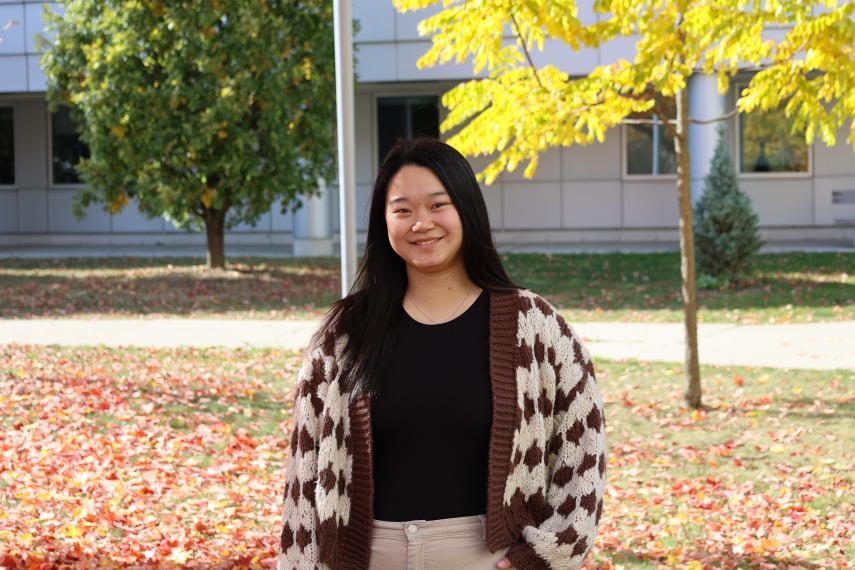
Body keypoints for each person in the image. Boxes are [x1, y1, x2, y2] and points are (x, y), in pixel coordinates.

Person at [276, 138, 607, 570]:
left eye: (438, 205)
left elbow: (583, 451)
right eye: (403, 210)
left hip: (487, 560)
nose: (421, 223)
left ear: (466, 209)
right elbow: (304, 476)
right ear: (384, 222)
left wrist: (543, 557)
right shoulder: (343, 335)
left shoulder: (536, 328)